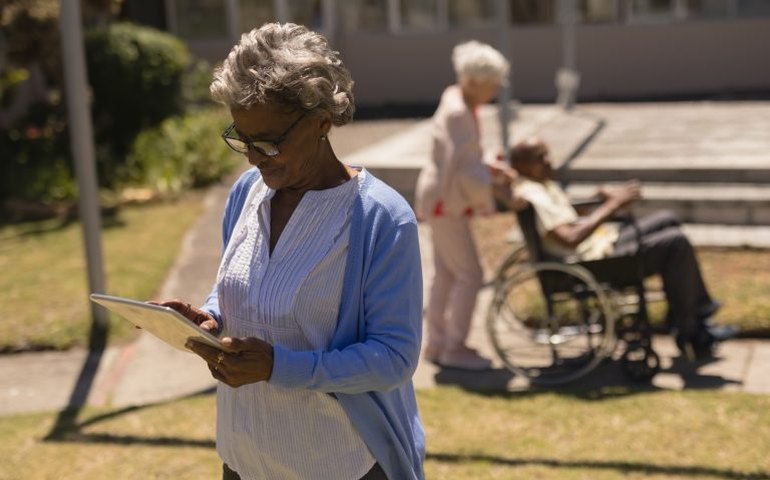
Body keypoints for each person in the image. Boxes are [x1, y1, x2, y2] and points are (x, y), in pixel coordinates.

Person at [154, 23, 424, 480]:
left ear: (322, 121)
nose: (255, 157)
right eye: (242, 139)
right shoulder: (246, 193)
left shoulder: (380, 218)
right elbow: (237, 286)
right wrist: (212, 318)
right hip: (245, 459)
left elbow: (394, 356)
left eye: (269, 141)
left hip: (340, 465)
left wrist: (281, 367)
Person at [509, 137, 734, 359]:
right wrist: (612, 206)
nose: (549, 161)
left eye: (547, 153)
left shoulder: (542, 183)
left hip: (600, 246)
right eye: (540, 157)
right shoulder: (532, 193)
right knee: (675, 243)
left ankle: (688, 316)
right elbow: (570, 237)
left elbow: (565, 217)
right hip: (587, 263)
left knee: (668, 219)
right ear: (522, 164)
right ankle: (692, 325)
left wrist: (599, 199)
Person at [414, 40, 514, 370]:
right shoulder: (460, 112)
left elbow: (463, 159)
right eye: (492, 84)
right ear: (474, 82)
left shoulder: (454, 99)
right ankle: (455, 346)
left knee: (445, 273)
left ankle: (438, 343)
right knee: (470, 273)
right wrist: (498, 189)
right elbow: (466, 170)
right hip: (448, 202)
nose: (496, 90)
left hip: (440, 197)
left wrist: (487, 168)